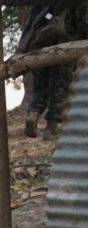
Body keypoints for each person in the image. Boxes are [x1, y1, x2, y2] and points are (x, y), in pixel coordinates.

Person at [22, 6, 88, 139]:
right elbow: (83, 23)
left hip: (40, 44)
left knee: (41, 87)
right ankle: (51, 128)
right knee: (60, 88)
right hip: (64, 46)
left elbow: (31, 23)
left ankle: (33, 114)